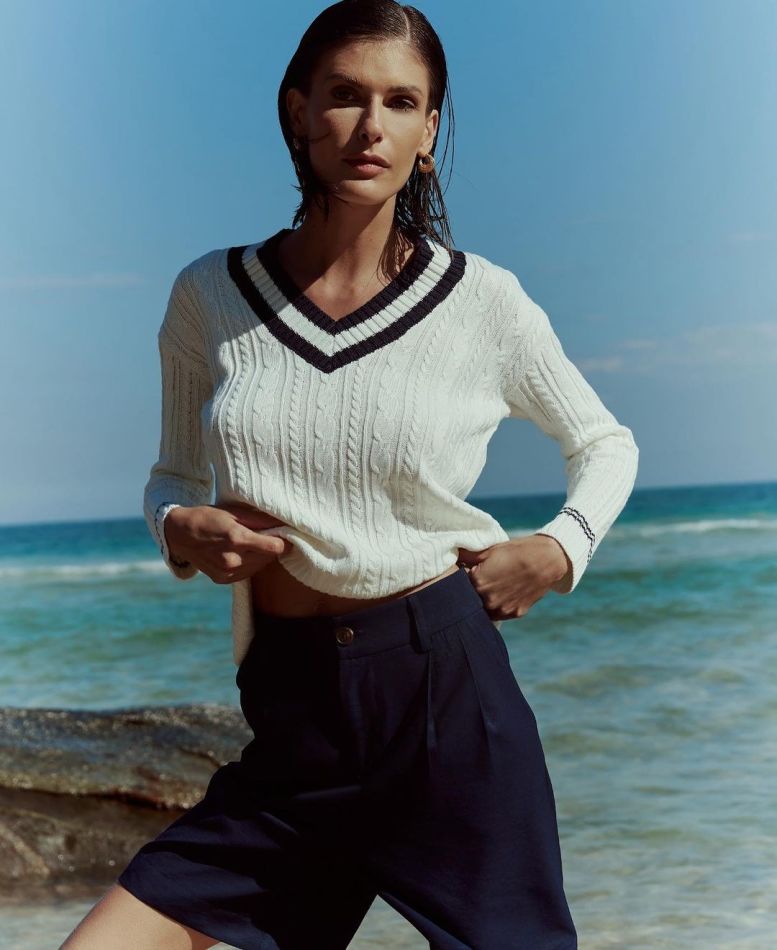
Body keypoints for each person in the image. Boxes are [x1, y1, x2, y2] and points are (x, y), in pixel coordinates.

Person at [62, 2, 638, 948]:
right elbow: (171, 477)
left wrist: (557, 549)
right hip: (292, 717)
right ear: (297, 112)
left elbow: (604, 442)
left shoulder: (481, 302)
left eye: (400, 103)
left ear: (428, 132)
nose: (371, 126)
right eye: (344, 96)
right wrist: (179, 530)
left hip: (443, 704)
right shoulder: (210, 294)